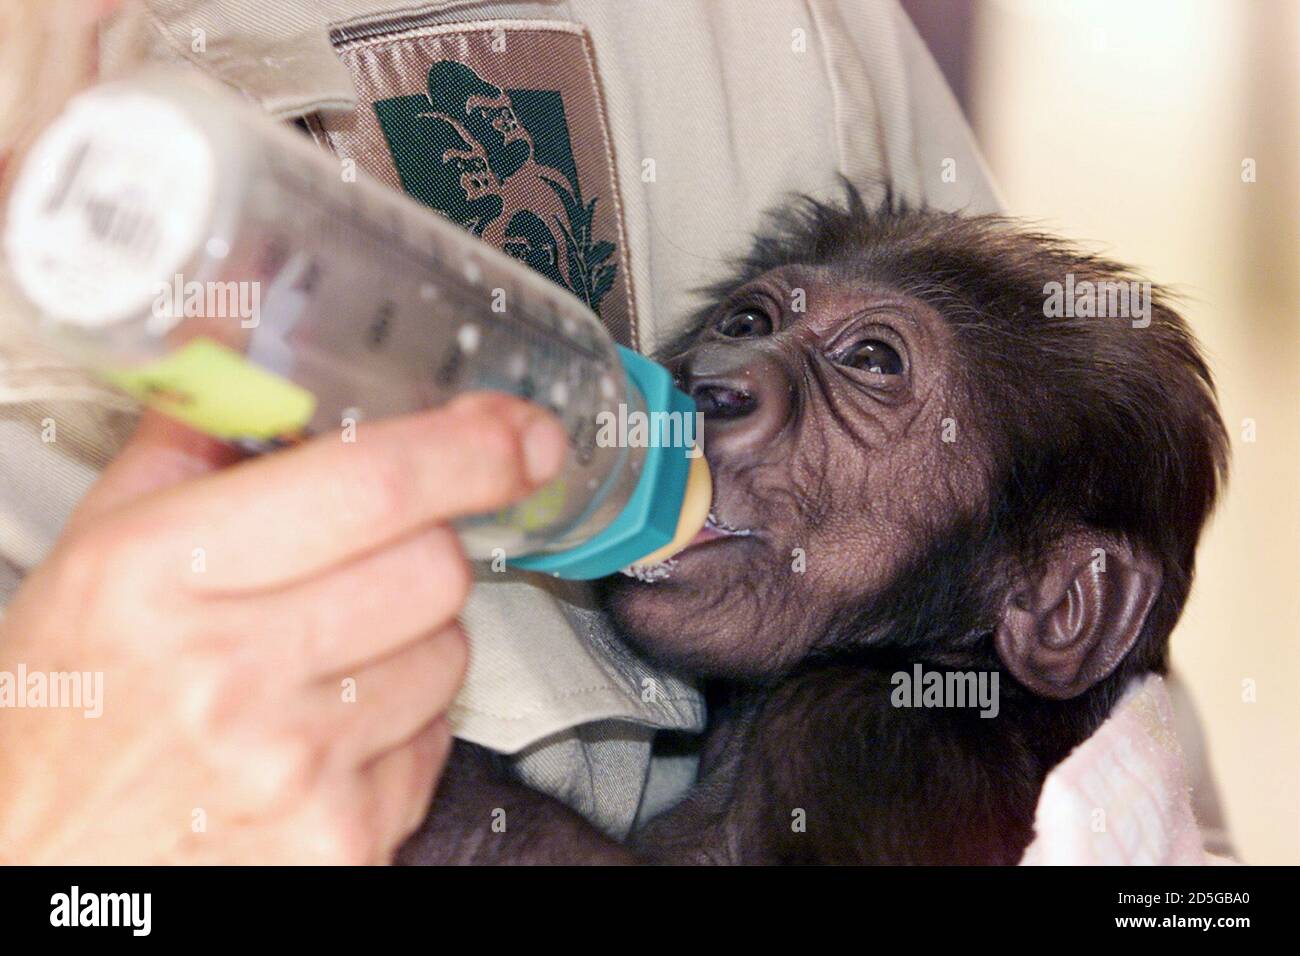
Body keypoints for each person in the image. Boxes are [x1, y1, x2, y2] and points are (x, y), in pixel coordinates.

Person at [0, 0, 1002, 862]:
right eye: (745, 321)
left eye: (865, 363)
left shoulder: (785, 41)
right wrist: (45, 814)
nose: (728, 388)